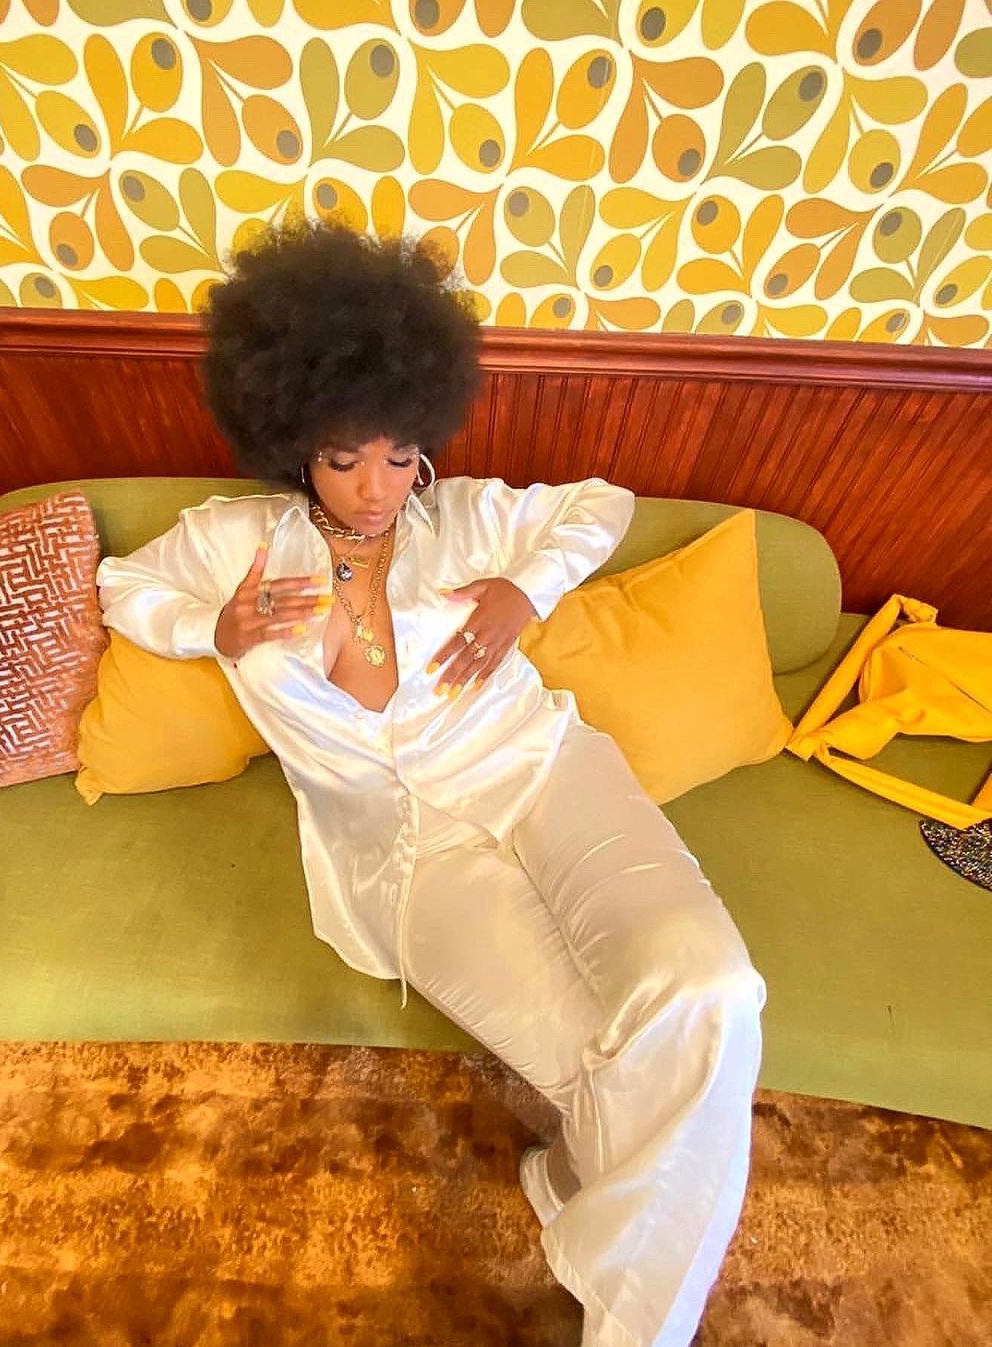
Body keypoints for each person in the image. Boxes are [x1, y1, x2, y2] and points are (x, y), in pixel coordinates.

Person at [95, 218, 767, 1347]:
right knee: (606, 1069)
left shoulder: (465, 518)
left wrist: (526, 591)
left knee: (716, 992)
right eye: (345, 456)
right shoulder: (233, 543)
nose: (378, 489)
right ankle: (590, 1230)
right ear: (292, 440)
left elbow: (598, 504)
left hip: (540, 772)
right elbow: (121, 585)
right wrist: (212, 627)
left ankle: (600, 1249)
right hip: (405, 857)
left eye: (401, 453)